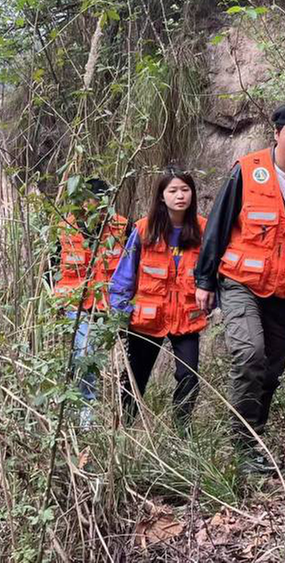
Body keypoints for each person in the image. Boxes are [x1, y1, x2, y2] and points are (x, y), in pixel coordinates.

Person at [194, 101, 285, 474]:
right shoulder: (247, 171)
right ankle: (241, 446)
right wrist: (205, 280)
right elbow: (217, 226)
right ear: (276, 134)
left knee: (271, 370)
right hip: (241, 283)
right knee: (250, 356)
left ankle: (254, 436)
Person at [109, 167, 207, 428]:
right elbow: (124, 275)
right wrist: (119, 313)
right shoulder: (144, 229)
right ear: (161, 196)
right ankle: (125, 430)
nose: (180, 196)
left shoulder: (203, 229)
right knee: (136, 378)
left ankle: (181, 431)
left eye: (185, 190)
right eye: (173, 190)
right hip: (147, 320)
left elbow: (213, 273)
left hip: (186, 318)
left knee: (189, 377)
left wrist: (212, 299)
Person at [53, 178, 128, 416]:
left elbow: (132, 266)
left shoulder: (122, 228)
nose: (91, 204)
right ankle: (82, 413)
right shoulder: (65, 226)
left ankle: (84, 412)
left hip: (107, 305)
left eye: (97, 199)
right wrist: (55, 300)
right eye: (86, 199)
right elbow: (51, 265)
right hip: (73, 304)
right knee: (82, 355)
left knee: (89, 357)